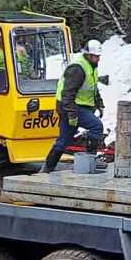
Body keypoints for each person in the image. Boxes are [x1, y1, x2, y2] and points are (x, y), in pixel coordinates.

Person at [42, 39, 106, 174]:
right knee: (96, 126)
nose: (98, 59)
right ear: (88, 55)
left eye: (99, 56)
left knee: (64, 140)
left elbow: (93, 88)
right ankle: (90, 160)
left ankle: (47, 168)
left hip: (75, 106)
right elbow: (67, 93)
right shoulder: (78, 68)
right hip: (71, 106)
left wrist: (99, 104)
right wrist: (72, 114)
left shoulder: (90, 67)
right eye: (95, 56)